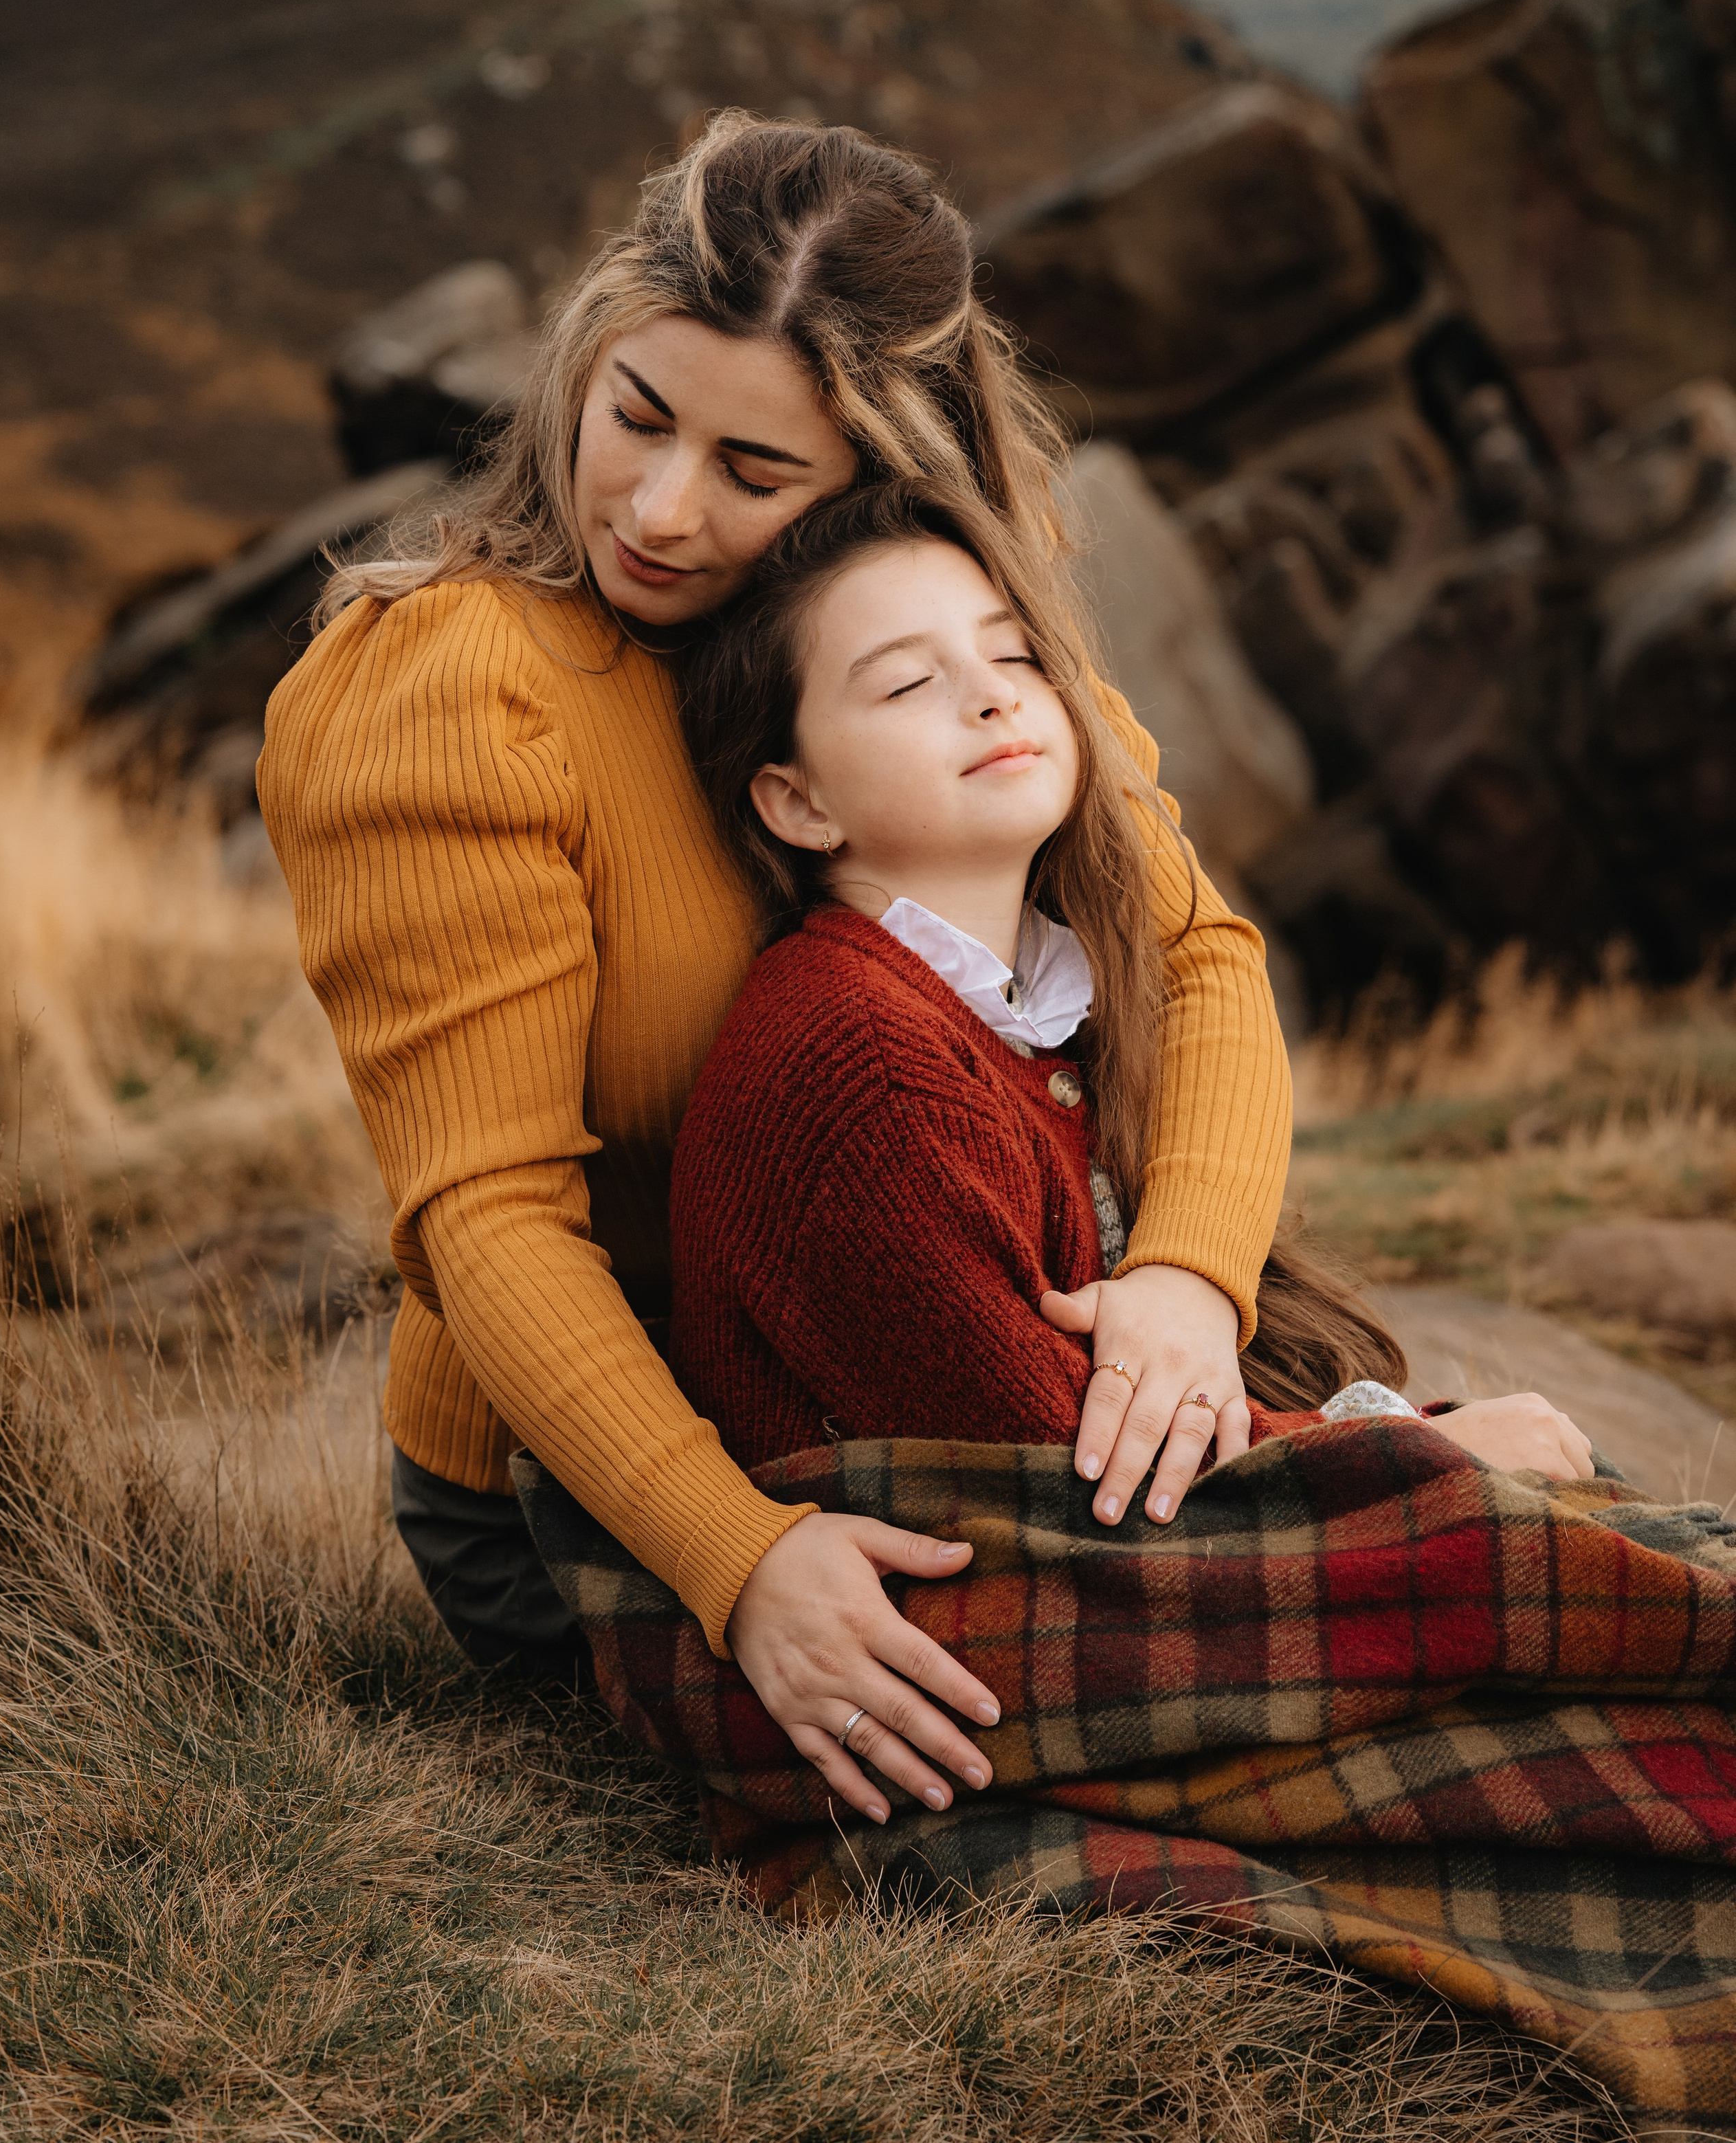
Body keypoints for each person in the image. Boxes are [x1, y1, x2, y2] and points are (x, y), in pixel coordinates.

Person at [261, 110, 1298, 1827]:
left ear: (881, 478)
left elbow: (1191, 950)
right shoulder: (454, 688)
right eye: (636, 420)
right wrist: (739, 1564)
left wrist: (1189, 1279)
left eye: (755, 475)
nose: (660, 513)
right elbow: (487, 1218)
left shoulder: (929, 624)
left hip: (935, 1334)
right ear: (585, 361)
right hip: (606, 1477)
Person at [665, 482, 1594, 1808]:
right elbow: (1092, 1498)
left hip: (1088, 1607)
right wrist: (1431, 1453)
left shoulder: (1035, 1003)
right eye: (906, 685)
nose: (991, 699)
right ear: (799, 802)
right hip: (975, 1677)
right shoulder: (858, 1062)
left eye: (1012, 655)